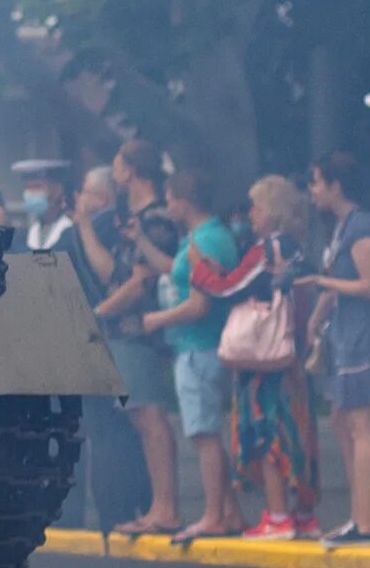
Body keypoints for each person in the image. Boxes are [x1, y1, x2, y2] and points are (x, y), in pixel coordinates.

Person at [306, 150, 370, 540]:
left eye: (317, 182)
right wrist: (319, 313)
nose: (313, 191)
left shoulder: (362, 226)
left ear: (336, 185)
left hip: (366, 334)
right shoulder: (344, 227)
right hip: (348, 334)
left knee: (366, 427)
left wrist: (323, 284)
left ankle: (366, 522)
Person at [83, 139, 181, 536]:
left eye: (118, 162)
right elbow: (114, 274)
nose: (114, 169)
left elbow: (141, 282)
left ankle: (167, 507)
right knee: (141, 415)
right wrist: (85, 224)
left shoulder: (155, 217)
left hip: (141, 330)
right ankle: (160, 506)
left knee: (151, 416)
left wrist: (97, 315)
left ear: (132, 169)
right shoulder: (135, 219)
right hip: (125, 330)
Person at [141, 168, 243, 541]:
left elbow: (200, 303)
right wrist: (140, 242)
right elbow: (179, 272)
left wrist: (157, 319)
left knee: (204, 434)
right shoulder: (200, 238)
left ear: (183, 201)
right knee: (206, 432)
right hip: (195, 345)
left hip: (199, 345)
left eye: (169, 199)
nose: (167, 206)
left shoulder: (206, 242)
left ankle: (214, 515)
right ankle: (229, 511)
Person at [230, 175, 322, 539]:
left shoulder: (265, 250)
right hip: (292, 353)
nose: (249, 213)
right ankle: (304, 514)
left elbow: (229, 287)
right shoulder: (298, 249)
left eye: (256, 205)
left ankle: (277, 515)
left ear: (272, 210)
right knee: (299, 431)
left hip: (262, 357)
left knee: (269, 431)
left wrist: (201, 269)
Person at [64, 164, 155, 528]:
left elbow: (112, 274)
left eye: (85, 190)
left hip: (115, 336)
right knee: (113, 429)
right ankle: (121, 509)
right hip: (104, 337)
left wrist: (97, 313)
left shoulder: (104, 226)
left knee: (118, 430)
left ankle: (122, 509)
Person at [15, 161, 76, 253]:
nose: (30, 193)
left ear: (57, 191)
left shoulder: (71, 228)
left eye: (37, 187)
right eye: (27, 188)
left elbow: (47, 263)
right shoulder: (34, 229)